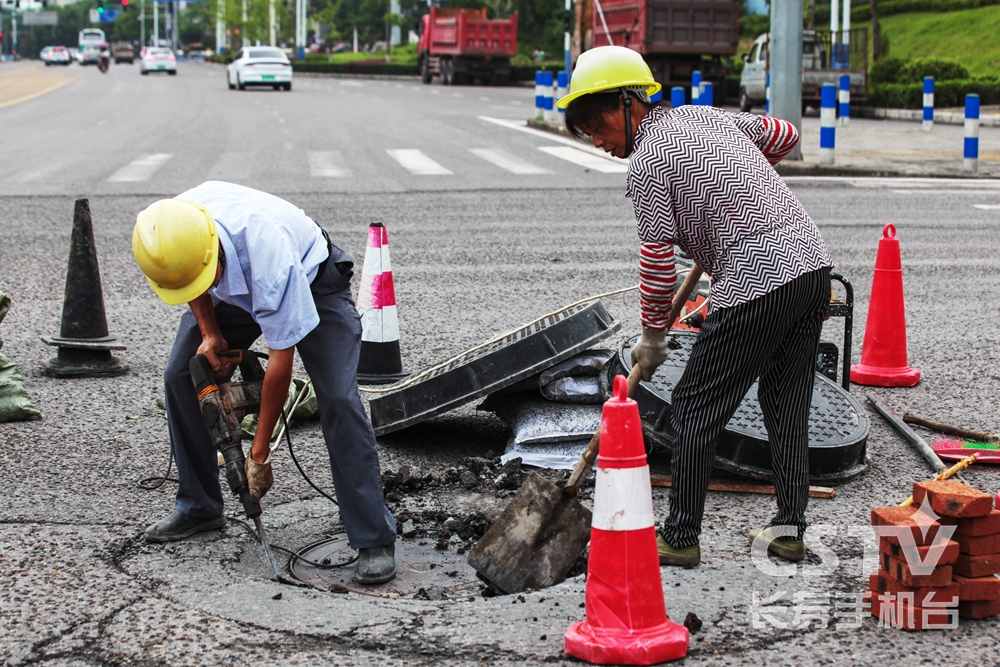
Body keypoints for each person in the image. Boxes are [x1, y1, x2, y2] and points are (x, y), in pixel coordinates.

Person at [557, 47, 833, 567]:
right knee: (786, 404)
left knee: (693, 411)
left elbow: (658, 263)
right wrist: (734, 183)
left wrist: (653, 336)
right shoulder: (705, 116)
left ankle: (680, 538)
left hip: (758, 278)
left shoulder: (645, 164)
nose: (598, 140)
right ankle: (790, 532)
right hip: (813, 267)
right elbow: (785, 136)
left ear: (628, 103)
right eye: (587, 132)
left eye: (599, 125)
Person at [132, 181, 398, 584]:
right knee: (181, 375)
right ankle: (199, 507)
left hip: (311, 281)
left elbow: (279, 367)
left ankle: (373, 536)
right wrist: (209, 332)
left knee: (338, 399)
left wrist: (258, 454)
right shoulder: (176, 225)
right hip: (233, 280)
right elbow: (193, 280)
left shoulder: (270, 257)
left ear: (214, 252)